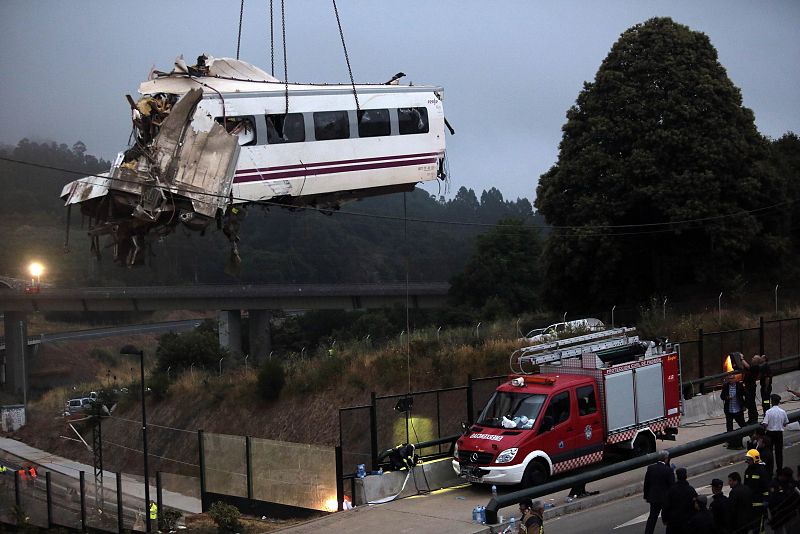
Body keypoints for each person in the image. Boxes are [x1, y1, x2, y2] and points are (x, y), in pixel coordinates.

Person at [643, 450, 675, 534]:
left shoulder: (651, 468)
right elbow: (672, 485)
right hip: (665, 499)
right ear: (666, 459)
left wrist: (646, 496)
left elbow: (647, 483)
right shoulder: (668, 470)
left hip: (653, 497)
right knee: (669, 517)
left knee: (652, 518)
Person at [662, 467, 697, 534]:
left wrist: (665, 519)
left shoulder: (671, 490)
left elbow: (666, 505)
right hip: (688, 521)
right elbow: (696, 504)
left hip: (674, 522)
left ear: (677, 477)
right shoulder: (690, 490)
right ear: (686, 476)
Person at [744, 449, 770, 533]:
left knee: (759, 527)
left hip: (760, 504)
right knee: (753, 525)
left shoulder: (761, 471)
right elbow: (746, 485)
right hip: (750, 503)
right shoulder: (748, 471)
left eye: (749, 459)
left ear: (754, 459)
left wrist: (766, 499)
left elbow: (766, 486)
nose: (747, 461)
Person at [768, 467, 800, 534]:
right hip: (778, 513)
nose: (789, 479)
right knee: (779, 530)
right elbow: (772, 499)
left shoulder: (790, 481)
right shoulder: (774, 484)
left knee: (791, 529)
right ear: (783, 476)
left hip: (789, 512)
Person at [763, 393, 789, 473]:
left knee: (769, 453)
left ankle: (770, 470)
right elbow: (785, 423)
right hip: (779, 433)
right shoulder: (783, 412)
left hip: (770, 434)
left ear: (772, 402)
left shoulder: (768, 412)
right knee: (779, 453)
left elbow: (765, 424)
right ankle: (779, 470)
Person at [721, 373, 748, 449]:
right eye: (729, 379)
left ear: (735, 379)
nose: (731, 380)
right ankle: (729, 441)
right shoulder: (726, 386)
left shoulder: (739, 386)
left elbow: (746, 395)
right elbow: (722, 396)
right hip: (729, 410)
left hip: (738, 410)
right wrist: (727, 397)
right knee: (729, 426)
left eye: (732, 379)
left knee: (742, 424)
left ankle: (752, 435)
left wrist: (745, 405)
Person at [741, 355, 760, 423]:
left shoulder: (755, 367)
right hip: (748, 386)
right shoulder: (752, 367)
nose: (752, 358)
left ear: (757, 361)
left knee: (751, 402)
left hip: (751, 387)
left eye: (754, 358)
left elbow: (748, 366)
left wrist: (742, 358)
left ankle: (754, 418)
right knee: (750, 403)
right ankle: (751, 418)